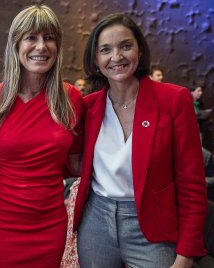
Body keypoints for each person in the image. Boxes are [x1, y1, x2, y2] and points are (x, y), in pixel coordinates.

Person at [73, 13, 207, 267]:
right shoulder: (88, 107)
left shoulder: (174, 100)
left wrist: (187, 253)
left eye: (125, 46)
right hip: (96, 222)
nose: (117, 57)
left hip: (153, 227)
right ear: (96, 59)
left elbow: (192, 183)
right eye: (105, 50)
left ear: (140, 51)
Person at [0, 4, 84, 268]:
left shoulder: (72, 98)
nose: (41, 47)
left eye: (49, 38)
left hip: (50, 226)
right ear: (16, 45)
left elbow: (76, 165)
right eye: (31, 38)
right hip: (2, 225)